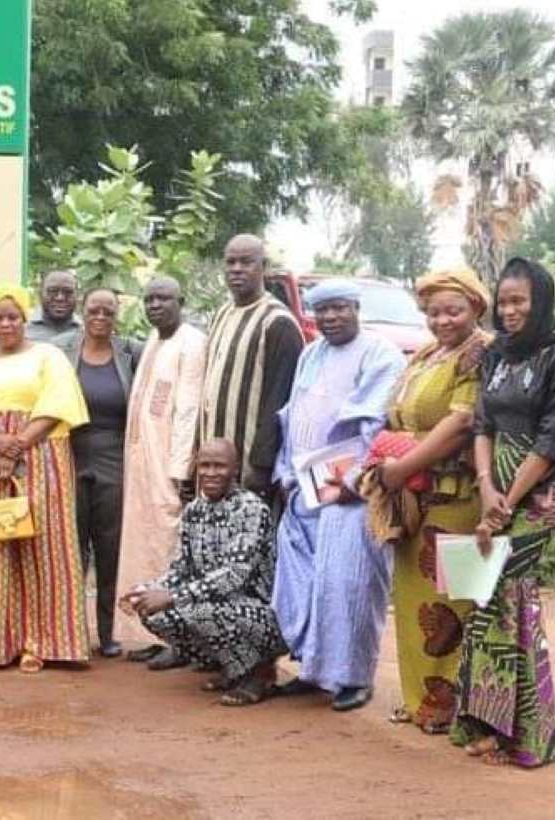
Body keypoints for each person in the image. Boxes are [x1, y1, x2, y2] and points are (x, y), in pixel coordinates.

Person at [453, 257, 555, 768]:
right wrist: (487, 488)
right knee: (492, 597)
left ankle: (524, 732)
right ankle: (496, 723)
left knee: (506, 588)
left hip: (541, 489)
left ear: (540, 302)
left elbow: (554, 438)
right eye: (503, 301)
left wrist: (508, 498)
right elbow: (483, 424)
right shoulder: (498, 356)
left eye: (519, 302)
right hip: (494, 484)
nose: (508, 311)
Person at [362, 269, 491, 733]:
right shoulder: (427, 352)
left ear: (477, 307)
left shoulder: (480, 352)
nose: (443, 320)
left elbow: (460, 425)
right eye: (434, 312)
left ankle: (454, 703)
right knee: (415, 600)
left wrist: (401, 465)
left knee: (453, 602)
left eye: (453, 310)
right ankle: (421, 699)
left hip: (456, 499)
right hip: (416, 499)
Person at [270, 279, 405, 712]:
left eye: (339, 308)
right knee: (306, 585)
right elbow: (294, 414)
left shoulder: (378, 352)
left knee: (350, 585)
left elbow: (374, 424)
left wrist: (354, 481)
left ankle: (354, 677)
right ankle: (313, 669)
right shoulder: (311, 353)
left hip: (350, 491)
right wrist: (286, 471)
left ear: (356, 308)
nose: (330, 318)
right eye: (322, 310)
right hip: (304, 486)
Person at [0, 285, 90, 671]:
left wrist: (18, 443)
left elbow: (59, 404)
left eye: (13, 317)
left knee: (42, 548)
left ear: (25, 320)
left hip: (41, 457)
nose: (6, 324)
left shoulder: (49, 356)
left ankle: (44, 642)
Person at [123, 440, 288, 706]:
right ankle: (230, 666)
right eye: (205, 465)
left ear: (234, 470)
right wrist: (145, 591)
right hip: (214, 604)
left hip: (262, 614)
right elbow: (181, 569)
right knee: (154, 613)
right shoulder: (194, 511)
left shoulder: (251, 509)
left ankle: (260, 671)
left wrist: (173, 597)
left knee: (199, 611)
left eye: (219, 466)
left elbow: (233, 575)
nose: (211, 473)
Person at [115, 276, 208, 664]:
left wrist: (181, 470)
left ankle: (179, 641)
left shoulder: (191, 342)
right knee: (144, 546)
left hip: (169, 467)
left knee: (169, 546)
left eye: (164, 299)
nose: (156, 305)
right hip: (142, 462)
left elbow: (188, 409)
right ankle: (153, 632)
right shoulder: (155, 340)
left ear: (180, 301)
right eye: (150, 299)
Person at [53, 288, 144, 658]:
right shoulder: (61, 350)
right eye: (94, 310)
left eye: (108, 311)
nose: (101, 317)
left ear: (117, 315)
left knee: (110, 546)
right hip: (70, 451)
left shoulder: (131, 352)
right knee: (71, 547)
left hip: (114, 456)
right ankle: (70, 631)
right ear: (82, 311)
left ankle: (107, 633)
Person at [198, 235, 303, 498]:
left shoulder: (277, 323)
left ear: (264, 267)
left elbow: (279, 401)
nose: (236, 269)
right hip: (212, 464)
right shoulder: (223, 313)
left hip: (249, 469)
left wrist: (261, 468)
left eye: (246, 262)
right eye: (230, 262)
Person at [26, 269, 81, 341]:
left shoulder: (87, 331)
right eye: (52, 291)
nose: (60, 298)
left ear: (77, 295)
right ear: (40, 293)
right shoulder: (22, 329)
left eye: (68, 292)